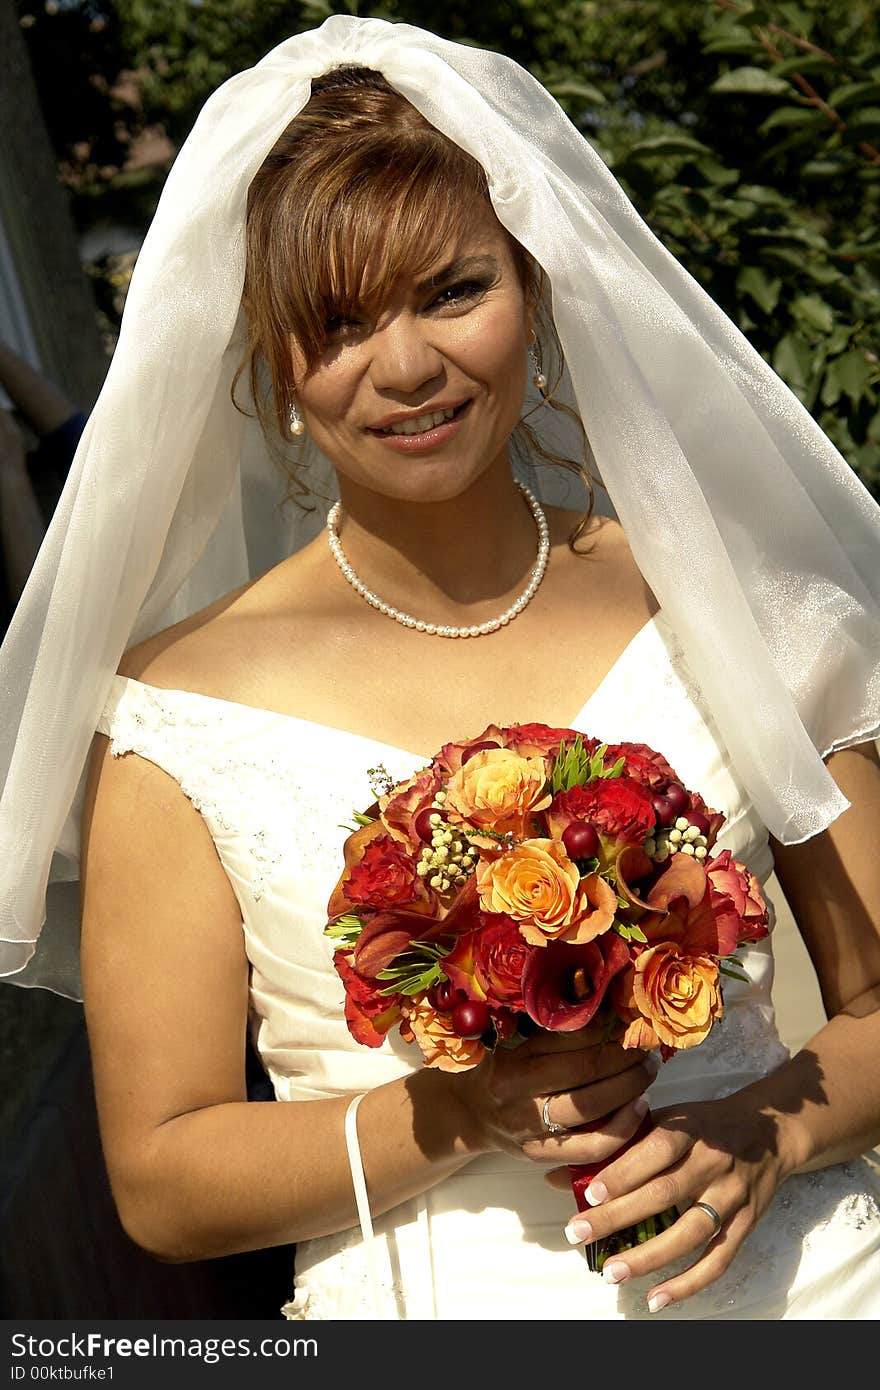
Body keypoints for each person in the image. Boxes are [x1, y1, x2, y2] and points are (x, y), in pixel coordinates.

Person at [1, 16, 878, 1322]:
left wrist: (767, 1130)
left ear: (537, 283)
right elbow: (164, 1174)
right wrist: (460, 1105)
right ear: (273, 358)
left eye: (454, 290)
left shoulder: (727, 605)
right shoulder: (173, 707)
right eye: (340, 319)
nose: (407, 364)